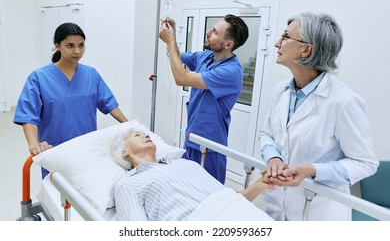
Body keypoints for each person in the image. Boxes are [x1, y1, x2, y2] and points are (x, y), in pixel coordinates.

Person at [259, 12, 379, 221]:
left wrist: (313, 170)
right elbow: (266, 133)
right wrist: (273, 156)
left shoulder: (344, 101)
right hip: (277, 205)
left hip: (319, 212)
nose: (277, 43)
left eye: (286, 37)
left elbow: (365, 163)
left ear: (306, 49)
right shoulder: (281, 90)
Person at [14, 22, 128, 179]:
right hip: (55, 149)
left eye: (81, 45)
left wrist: (129, 126)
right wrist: (34, 144)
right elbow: (28, 115)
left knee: (85, 190)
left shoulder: (91, 74)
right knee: (58, 192)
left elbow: (109, 103)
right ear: (57, 45)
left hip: (87, 147)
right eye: (70, 46)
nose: (77, 51)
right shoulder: (39, 77)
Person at [159, 14, 249, 184]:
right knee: (187, 190)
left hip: (210, 147)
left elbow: (182, 78)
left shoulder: (231, 72)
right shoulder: (206, 57)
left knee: (209, 198)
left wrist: (170, 41)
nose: (208, 32)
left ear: (228, 44)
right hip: (191, 139)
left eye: (215, 32)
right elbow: (175, 55)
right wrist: (172, 36)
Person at [112, 128, 275, 221]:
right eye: (137, 135)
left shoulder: (183, 162)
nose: (146, 135)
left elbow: (225, 198)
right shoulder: (129, 184)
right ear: (124, 150)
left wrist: (259, 185)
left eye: (145, 133)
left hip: (242, 211)